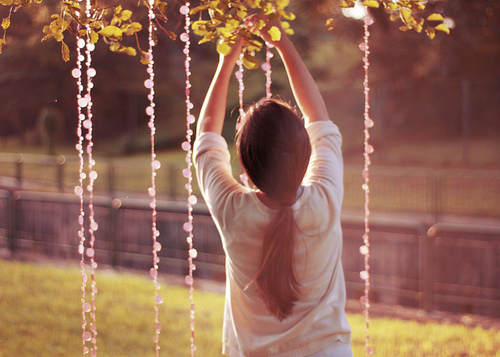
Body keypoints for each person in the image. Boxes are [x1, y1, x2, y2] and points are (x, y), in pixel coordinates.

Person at [193, 18, 352, 357]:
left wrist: (227, 59)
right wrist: (282, 42)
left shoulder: (232, 210)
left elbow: (207, 132)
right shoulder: (325, 199)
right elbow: (318, 116)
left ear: (246, 166)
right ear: (306, 154)